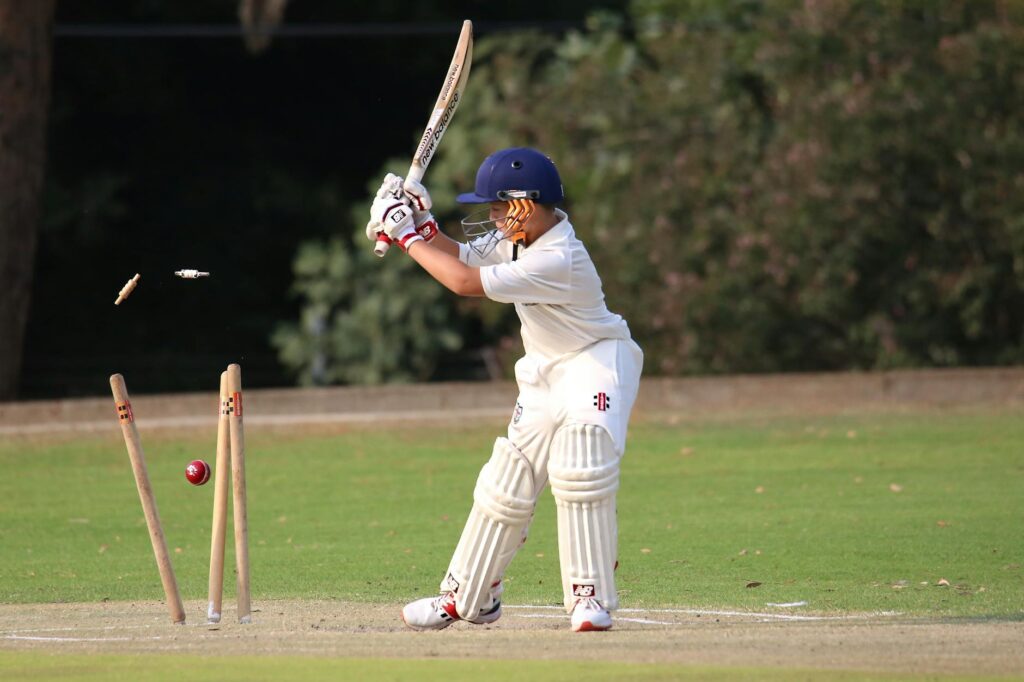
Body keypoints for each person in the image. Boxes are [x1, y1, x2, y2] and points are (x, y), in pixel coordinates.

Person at [367, 147, 643, 632]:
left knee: (579, 465)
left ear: (528, 204)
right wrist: (420, 219)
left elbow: (463, 282)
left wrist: (404, 234)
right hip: (543, 369)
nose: (491, 216)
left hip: (596, 361)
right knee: (505, 482)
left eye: (497, 205)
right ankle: (468, 596)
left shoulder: (561, 257)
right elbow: (461, 255)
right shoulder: (518, 236)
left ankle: (589, 597)